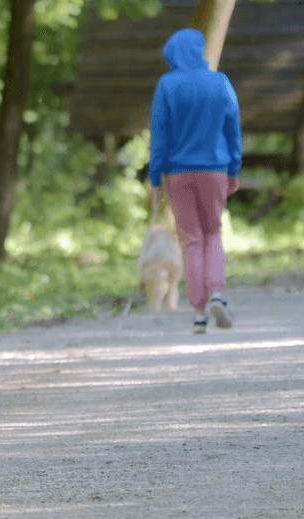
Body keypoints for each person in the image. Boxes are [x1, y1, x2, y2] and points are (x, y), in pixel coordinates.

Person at [148, 28, 242, 334]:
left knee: (190, 240)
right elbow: (232, 130)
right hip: (215, 169)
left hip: (178, 173)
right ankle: (217, 293)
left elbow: (159, 135)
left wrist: (154, 176)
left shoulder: (167, 85)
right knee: (212, 233)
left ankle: (199, 313)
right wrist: (233, 168)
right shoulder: (220, 83)